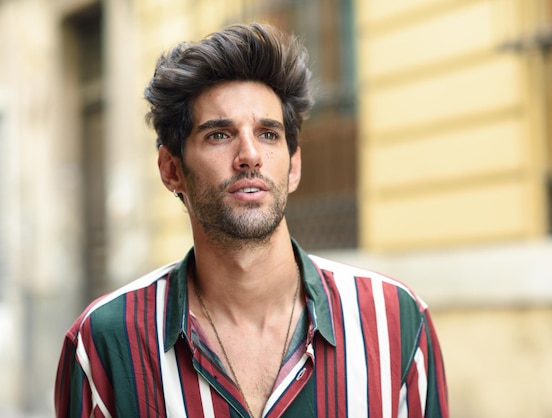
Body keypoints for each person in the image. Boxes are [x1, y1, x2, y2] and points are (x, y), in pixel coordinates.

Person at [54, 22, 448, 418]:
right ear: (171, 169)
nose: (250, 155)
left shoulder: (394, 321)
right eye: (219, 135)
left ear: (294, 167)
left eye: (268, 134)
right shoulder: (105, 344)